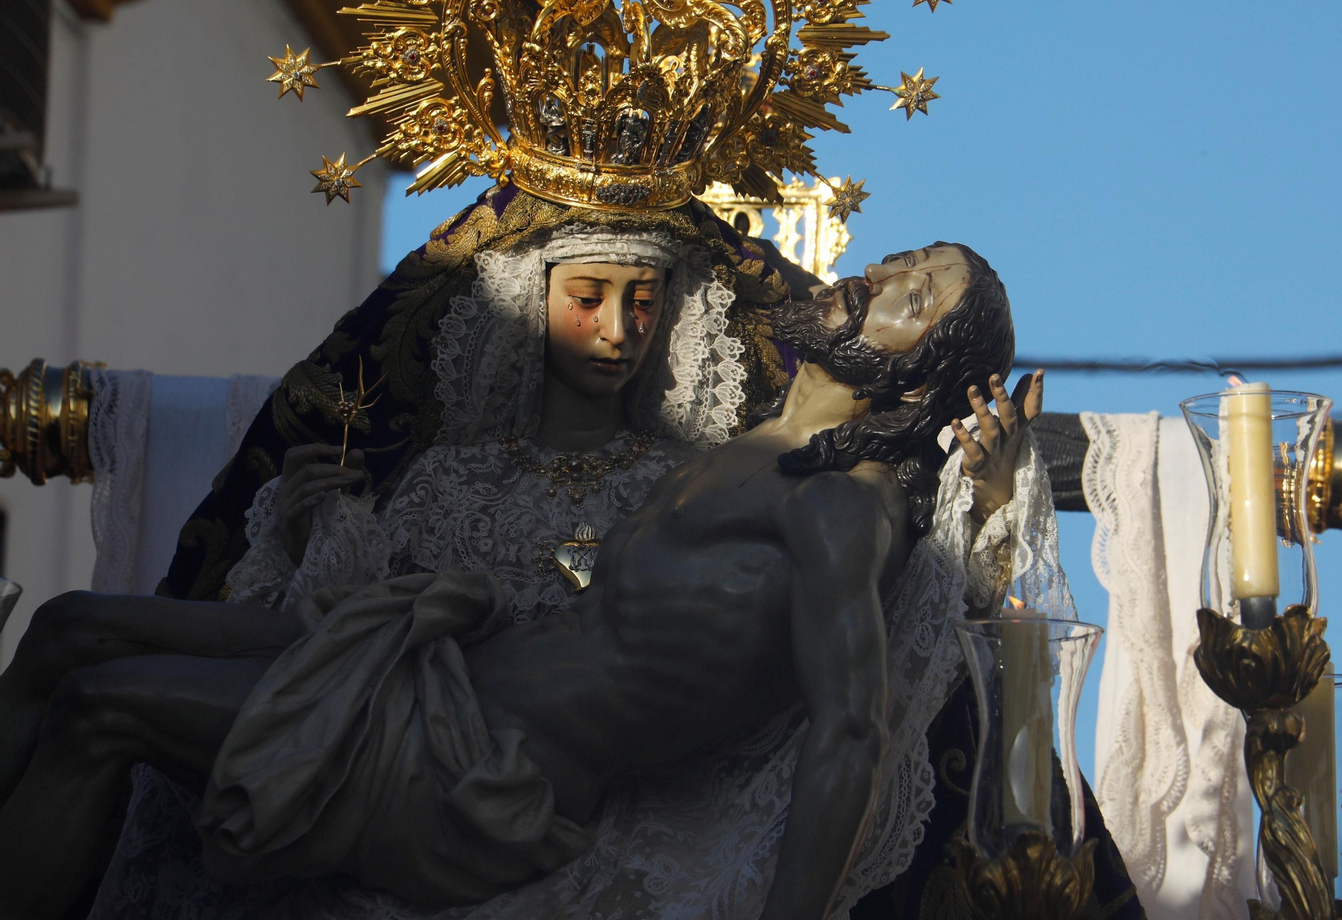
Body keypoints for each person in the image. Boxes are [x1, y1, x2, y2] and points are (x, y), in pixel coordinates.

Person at [0, 242, 1051, 920]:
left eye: (910, 295)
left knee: (98, 706)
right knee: (68, 628)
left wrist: (990, 511)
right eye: (901, 260)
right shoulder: (746, 449)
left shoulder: (840, 501)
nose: (871, 277)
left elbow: (856, 726)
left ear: (920, 375)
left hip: (477, 772)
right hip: (440, 668)